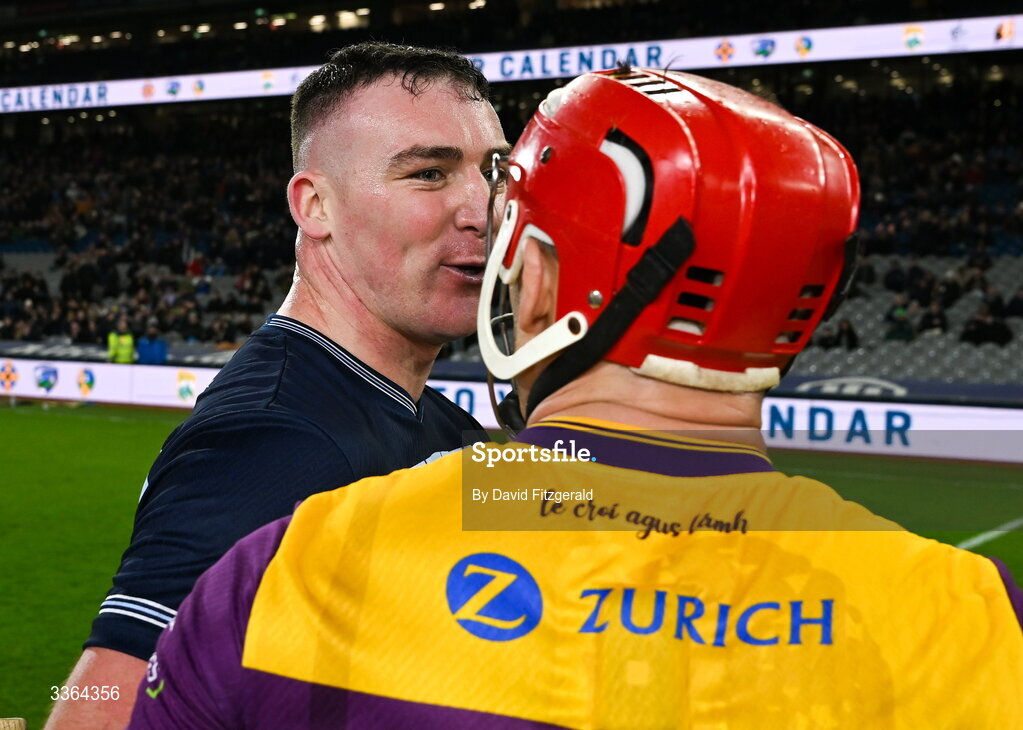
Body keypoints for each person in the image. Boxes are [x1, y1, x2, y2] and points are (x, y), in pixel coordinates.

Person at [128, 69, 1022, 727]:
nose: (478, 217)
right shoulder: (976, 615)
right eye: (427, 173)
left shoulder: (299, 561)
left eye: (489, 182)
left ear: (547, 278)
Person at [46, 42, 506, 730]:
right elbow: (96, 712)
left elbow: (587, 494)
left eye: (496, 169)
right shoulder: (274, 440)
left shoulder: (427, 416)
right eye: (429, 173)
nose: (483, 208)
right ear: (315, 205)